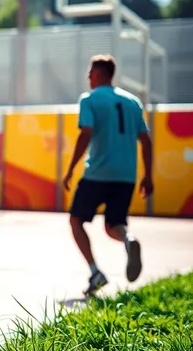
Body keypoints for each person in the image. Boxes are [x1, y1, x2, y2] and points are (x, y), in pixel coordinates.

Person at [62, 54, 154, 296]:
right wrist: (148, 176)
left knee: (75, 220)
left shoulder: (89, 100)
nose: (88, 77)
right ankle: (128, 240)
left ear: (99, 74)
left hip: (97, 173)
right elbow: (146, 140)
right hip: (126, 175)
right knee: (115, 224)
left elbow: (86, 134)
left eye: (90, 73)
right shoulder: (133, 101)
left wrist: (71, 168)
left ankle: (95, 272)